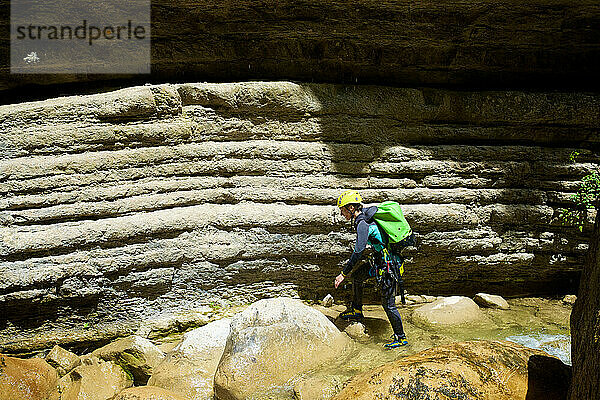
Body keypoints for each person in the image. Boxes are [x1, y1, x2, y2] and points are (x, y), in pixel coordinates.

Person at [334, 189, 408, 348]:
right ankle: (357, 310)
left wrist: (343, 274)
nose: (342, 214)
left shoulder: (363, 223)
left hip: (388, 266)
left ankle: (401, 338)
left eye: (343, 210)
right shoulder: (367, 216)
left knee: (388, 305)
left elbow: (358, 251)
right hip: (379, 261)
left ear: (351, 208)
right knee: (358, 277)